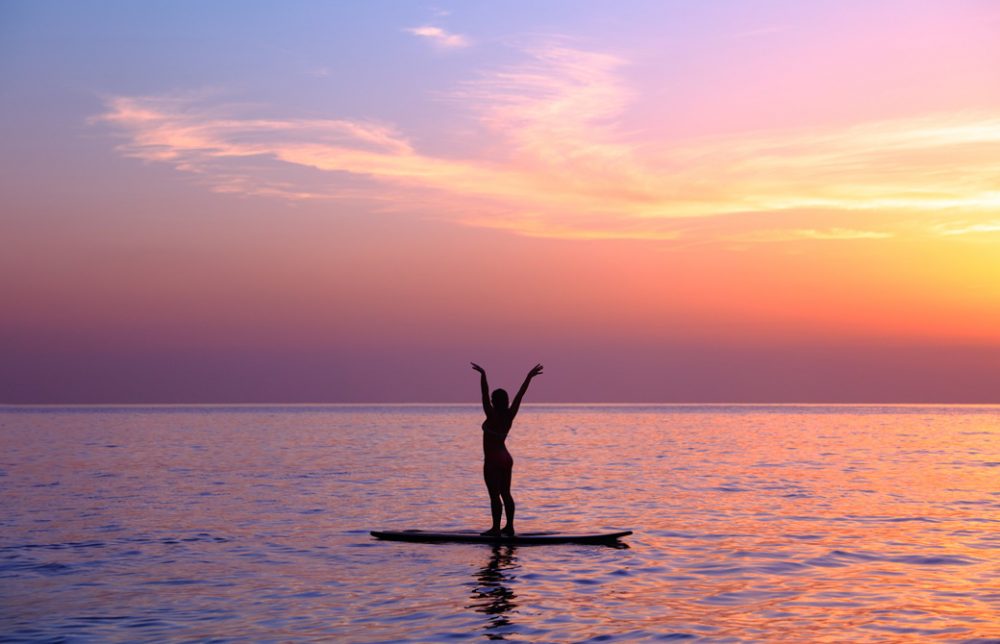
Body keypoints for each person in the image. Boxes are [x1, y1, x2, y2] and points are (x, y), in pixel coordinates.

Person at [470, 362, 544, 536]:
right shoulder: (510, 415)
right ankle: (509, 526)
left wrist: (483, 375)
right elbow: (520, 395)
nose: (489, 401)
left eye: (492, 399)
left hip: (493, 458)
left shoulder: (491, 414)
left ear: (494, 402)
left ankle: (496, 529)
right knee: (506, 493)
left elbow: (484, 394)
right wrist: (528, 377)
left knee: (494, 496)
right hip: (506, 457)